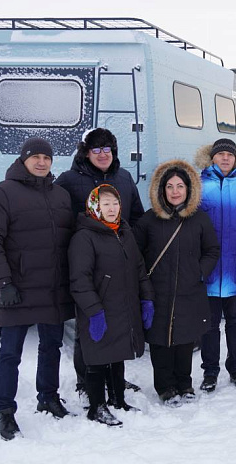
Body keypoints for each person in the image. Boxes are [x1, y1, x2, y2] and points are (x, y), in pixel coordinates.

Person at [0, 137, 75, 440]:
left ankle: (48, 397)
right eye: (36, 157)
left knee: (51, 346)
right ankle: (5, 412)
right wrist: (2, 282)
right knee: (10, 354)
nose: (42, 162)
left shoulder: (60, 195)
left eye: (47, 157)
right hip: (17, 288)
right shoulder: (1, 194)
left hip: (53, 288)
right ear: (23, 159)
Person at [54, 128, 145, 398]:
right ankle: (86, 382)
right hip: (89, 264)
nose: (103, 154)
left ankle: (114, 380)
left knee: (116, 324)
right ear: (86, 152)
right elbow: (57, 220)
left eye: (107, 149)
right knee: (89, 327)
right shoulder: (69, 181)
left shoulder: (124, 178)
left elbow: (137, 218)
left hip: (119, 265)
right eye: (96, 149)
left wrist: (130, 250)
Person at [134, 159, 220, 407]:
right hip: (158, 291)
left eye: (180, 186)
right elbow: (136, 254)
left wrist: (199, 272)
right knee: (161, 341)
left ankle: (185, 383)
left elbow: (212, 250)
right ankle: (165, 387)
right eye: (169, 186)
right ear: (161, 190)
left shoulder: (199, 219)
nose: (174, 191)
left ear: (188, 189)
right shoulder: (149, 220)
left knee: (185, 339)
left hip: (189, 290)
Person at [68, 185, 154, 427]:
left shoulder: (124, 233)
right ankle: (97, 407)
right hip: (99, 309)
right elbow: (80, 280)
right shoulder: (84, 237)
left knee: (117, 355)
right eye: (105, 204)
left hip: (123, 306)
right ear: (95, 206)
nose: (111, 208)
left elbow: (139, 269)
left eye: (115, 203)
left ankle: (118, 400)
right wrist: (94, 312)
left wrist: (147, 299)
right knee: (96, 358)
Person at [194, 139, 236, 392]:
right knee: (209, 325)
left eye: (229, 155)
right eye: (219, 154)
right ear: (212, 158)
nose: (224, 159)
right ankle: (210, 372)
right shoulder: (198, 187)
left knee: (235, 322)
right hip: (208, 271)